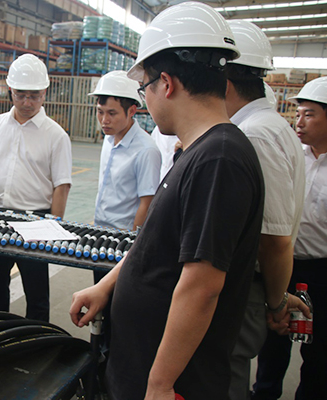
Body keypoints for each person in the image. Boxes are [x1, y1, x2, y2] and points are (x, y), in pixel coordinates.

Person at [69, 3, 266, 399]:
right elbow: (155, 243)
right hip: (140, 366)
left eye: (144, 88)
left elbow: (201, 287)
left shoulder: (219, 160)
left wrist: (160, 384)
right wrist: (107, 285)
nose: (146, 99)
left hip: (173, 382)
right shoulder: (196, 152)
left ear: (166, 84)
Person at [224, 20, 306, 400]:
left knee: (226, 380)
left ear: (224, 81)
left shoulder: (254, 134)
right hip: (254, 287)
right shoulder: (269, 126)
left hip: (246, 289)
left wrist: (276, 302)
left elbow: (273, 239)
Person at [0, 54, 72, 322]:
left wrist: (52, 227)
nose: (27, 102)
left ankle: (36, 340)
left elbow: (61, 186)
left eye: (34, 96)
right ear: (10, 90)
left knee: (36, 294)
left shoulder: (56, 135)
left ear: (44, 93)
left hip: (35, 222)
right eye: (21, 95)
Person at [253, 76, 327, 400]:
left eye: (309, 114)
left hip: (321, 269)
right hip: (285, 262)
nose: (299, 122)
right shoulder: (292, 155)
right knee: (273, 339)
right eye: (298, 114)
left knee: (318, 350)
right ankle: (264, 393)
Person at [89, 70, 160, 283]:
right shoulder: (109, 139)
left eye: (112, 113)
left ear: (132, 111)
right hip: (100, 233)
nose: (104, 120)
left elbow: (146, 203)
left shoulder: (146, 150)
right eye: (100, 112)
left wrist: (131, 247)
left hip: (123, 242)